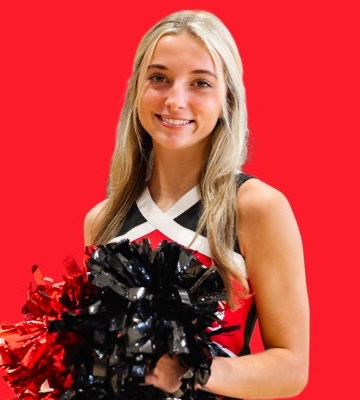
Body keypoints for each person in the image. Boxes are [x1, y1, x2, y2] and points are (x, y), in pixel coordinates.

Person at [84, 9, 309, 400]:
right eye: (159, 78)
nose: (175, 100)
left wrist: (192, 370)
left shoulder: (256, 207)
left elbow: (292, 368)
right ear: (137, 89)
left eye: (200, 83)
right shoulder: (103, 219)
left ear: (227, 100)